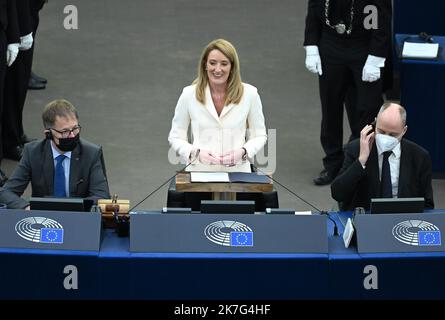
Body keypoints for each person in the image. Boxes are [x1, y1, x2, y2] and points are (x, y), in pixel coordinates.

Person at [168, 39, 273, 210]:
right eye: (213, 63)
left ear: (232, 67)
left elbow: (260, 135)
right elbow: (175, 136)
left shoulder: (250, 94)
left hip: (239, 176)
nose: (218, 69)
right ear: (204, 65)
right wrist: (196, 153)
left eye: (224, 64)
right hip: (200, 175)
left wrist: (243, 152)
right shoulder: (188, 94)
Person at [303, 0, 392, 185]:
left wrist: (375, 58)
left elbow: (380, 21)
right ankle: (333, 163)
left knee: (367, 108)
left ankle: (360, 158)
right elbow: (313, 13)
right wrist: (311, 47)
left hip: (363, 47)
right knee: (330, 107)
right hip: (331, 44)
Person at [0, 99, 110, 209]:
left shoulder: (91, 153)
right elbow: (6, 193)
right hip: (43, 220)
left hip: (79, 217)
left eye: (75, 129)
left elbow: (102, 197)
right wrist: (26, 208)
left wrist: (71, 208)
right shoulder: (33, 152)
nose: (72, 135)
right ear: (48, 134)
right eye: (65, 131)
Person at [331, 103, 434, 211]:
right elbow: (337, 194)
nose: (386, 138)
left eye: (393, 135)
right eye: (381, 131)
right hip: (366, 220)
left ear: (404, 131)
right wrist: (361, 161)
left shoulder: (419, 157)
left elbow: (427, 205)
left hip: (402, 220)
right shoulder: (355, 149)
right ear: (375, 123)